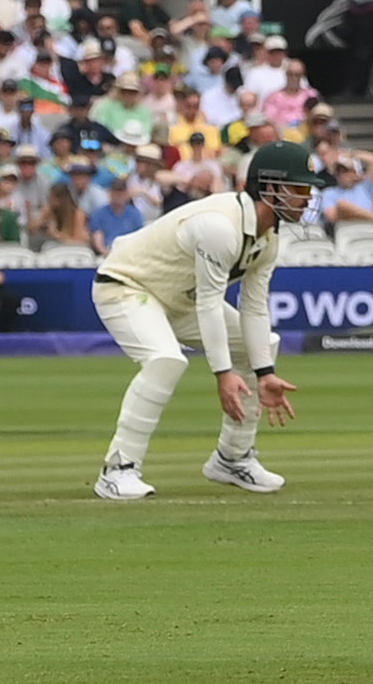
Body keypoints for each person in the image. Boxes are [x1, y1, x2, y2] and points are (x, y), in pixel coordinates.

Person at [90, 135, 312, 502]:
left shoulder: (268, 239)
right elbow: (210, 303)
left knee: (262, 346)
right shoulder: (219, 226)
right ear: (271, 188)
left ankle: (232, 458)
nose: (307, 198)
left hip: (179, 298)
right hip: (126, 286)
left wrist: (265, 374)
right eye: (300, 188)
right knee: (166, 360)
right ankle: (118, 470)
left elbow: (255, 308)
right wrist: (223, 374)